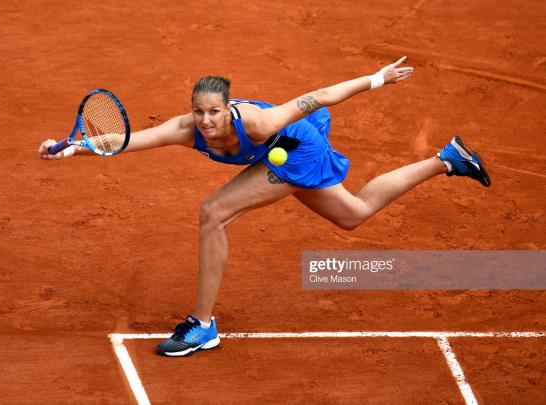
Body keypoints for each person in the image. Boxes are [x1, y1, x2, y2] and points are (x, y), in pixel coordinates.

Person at [38, 56, 491, 357]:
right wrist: (72, 149)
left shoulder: (258, 120)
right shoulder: (186, 128)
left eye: (214, 112)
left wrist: (378, 79)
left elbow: (321, 94)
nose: (206, 121)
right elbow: (128, 139)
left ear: (228, 106)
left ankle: (202, 324)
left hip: (297, 149)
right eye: (199, 112)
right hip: (281, 155)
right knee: (353, 215)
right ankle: (447, 160)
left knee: (214, 212)